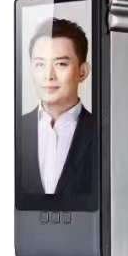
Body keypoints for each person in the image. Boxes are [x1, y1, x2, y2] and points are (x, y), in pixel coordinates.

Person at [18, 16, 95, 204]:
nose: (48, 76)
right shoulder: (16, 130)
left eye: (61, 64)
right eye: (40, 64)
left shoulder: (103, 132)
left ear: (82, 72)